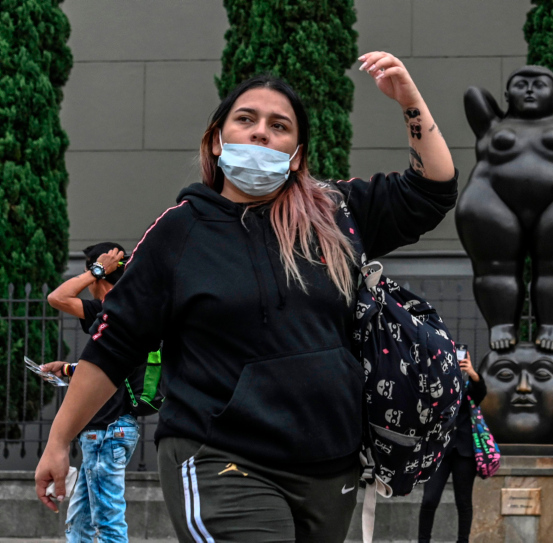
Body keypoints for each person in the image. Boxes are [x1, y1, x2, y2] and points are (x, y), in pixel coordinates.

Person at [35, 51, 457, 542]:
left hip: (330, 467)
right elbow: (114, 344)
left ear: (296, 154)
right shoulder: (179, 233)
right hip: (219, 456)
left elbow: (432, 192)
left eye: (279, 126)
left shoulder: (335, 214)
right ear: (217, 140)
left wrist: (410, 101)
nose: (261, 133)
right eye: (246, 119)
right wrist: (59, 439)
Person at [456, 66, 553, 351]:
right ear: (507, 95)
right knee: (494, 267)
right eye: (521, 85)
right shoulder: (492, 126)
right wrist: (506, 112)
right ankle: (501, 324)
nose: (530, 90)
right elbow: (473, 94)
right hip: (492, 197)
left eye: (540, 84)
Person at [42, 243, 140, 542]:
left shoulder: (111, 310)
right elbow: (115, 365)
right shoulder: (135, 311)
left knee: (107, 522)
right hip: (115, 428)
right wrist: (68, 368)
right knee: (81, 522)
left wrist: (96, 269)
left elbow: (57, 297)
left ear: (99, 277)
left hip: (106, 430)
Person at [417, 350, 487, 543]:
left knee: (463, 502)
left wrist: (472, 373)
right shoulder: (438, 384)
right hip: (439, 450)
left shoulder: (468, 386)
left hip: (464, 452)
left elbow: (480, 393)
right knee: (429, 499)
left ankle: (462, 541)